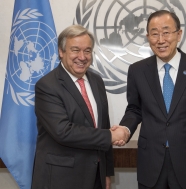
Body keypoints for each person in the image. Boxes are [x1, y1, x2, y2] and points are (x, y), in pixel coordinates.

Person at [112, 10, 186, 189]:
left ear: (179, 34)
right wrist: (125, 129)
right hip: (151, 162)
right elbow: (134, 109)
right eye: (154, 34)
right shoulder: (137, 71)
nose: (160, 40)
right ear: (148, 37)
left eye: (166, 32)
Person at [31, 25, 129, 189]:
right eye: (75, 50)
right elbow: (63, 131)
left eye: (87, 51)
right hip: (61, 179)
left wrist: (106, 173)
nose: (82, 57)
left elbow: (103, 125)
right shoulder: (47, 86)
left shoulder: (96, 81)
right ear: (61, 52)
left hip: (96, 176)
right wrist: (110, 136)